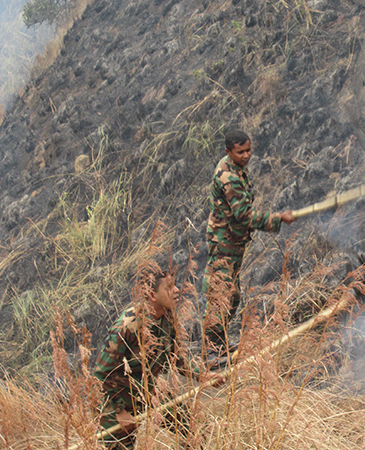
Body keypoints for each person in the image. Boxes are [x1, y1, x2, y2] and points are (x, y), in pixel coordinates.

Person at [94, 270, 225, 449]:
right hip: (115, 402)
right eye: (169, 287)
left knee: (192, 427)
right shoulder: (127, 326)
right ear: (152, 295)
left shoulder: (167, 317)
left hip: (149, 392)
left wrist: (202, 375)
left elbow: (176, 357)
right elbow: (101, 374)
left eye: (175, 285)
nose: (177, 290)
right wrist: (119, 412)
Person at [202, 130, 295, 351]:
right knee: (221, 296)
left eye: (248, 150)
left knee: (232, 297)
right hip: (223, 242)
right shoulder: (229, 177)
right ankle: (211, 352)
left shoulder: (236, 168)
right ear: (228, 152)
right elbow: (243, 214)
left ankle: (219, 345)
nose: (246, 155)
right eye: (240, 152)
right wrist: (277, 219)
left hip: (233, 241)